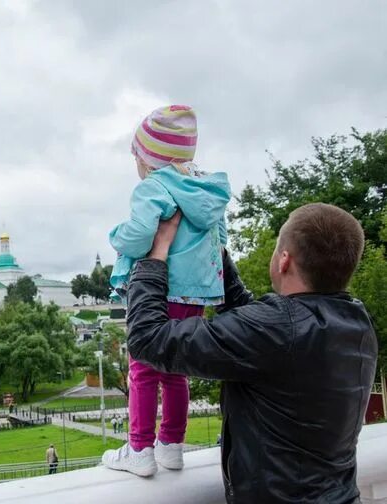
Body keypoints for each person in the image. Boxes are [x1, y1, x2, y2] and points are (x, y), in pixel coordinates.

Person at [115, 203, 376, 503]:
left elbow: (148, 339)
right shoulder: (356, 322)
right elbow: (258, 328)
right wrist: (213, 249)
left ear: (284, 261)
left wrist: (155, 255)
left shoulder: (276, 330)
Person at [104, 105, 231, 477]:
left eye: (137, 155)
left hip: (158, 288)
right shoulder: (206, 191)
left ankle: (139, 449)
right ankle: (171, 446)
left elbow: (140, 235)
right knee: (176, 369)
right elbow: (221, 240)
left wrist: (116, 236)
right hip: (197, 292)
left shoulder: (153, 187)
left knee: (142, 368)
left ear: (148, 159)